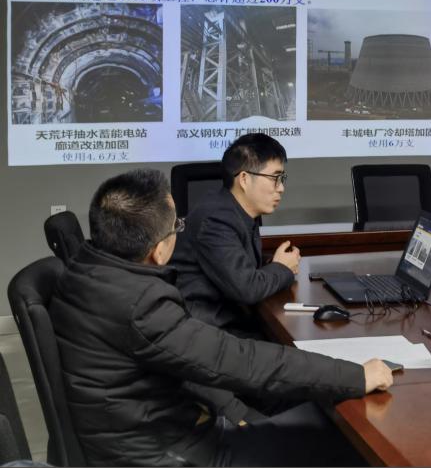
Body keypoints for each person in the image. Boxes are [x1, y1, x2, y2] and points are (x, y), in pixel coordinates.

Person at [50, 169, 393, 467]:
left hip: (137, 434)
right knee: (347, 445)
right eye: (176, 226)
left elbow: (187, 361)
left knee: (312, 419)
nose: (178, 231)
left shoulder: (86, 271)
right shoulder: (140, 305)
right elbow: (240, 361)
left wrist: (234, 410)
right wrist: (356, 375)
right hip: (165, 453)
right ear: (159, 250)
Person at [171, 133, 300, 335]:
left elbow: (241, 269)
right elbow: (247, 289)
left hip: (229, 325)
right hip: (207, 333)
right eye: (275, 178)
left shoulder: (237, 211)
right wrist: (282, 268)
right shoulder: (216, 219)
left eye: (282, 179)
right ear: (244, 179)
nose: (281, 188)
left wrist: (273, 265)